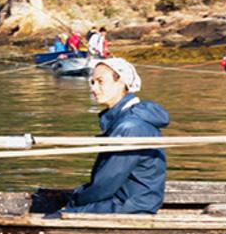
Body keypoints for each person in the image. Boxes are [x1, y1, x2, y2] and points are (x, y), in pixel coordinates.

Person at [59, 57, 169, 214]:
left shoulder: (130, 127)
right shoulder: (121, 119)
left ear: (122, 82)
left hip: (130, 206)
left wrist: (76, 199)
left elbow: (107, 183)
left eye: (100, 81)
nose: (94, 88)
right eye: (92, 82)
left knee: (55, 216)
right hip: (124, 200)